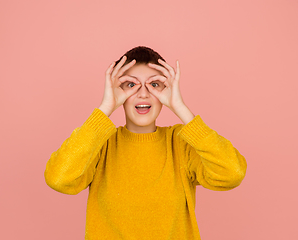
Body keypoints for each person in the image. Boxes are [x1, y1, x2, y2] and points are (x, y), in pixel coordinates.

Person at [44, 46, 247, 240]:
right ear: (117, 90)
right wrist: (105, 107)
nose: (143, 93)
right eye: (131, 85)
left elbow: (232, 173)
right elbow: (59, 178)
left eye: (154, 85)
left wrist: (181, 108)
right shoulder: (100, 144)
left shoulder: (181, 143)